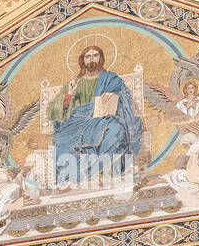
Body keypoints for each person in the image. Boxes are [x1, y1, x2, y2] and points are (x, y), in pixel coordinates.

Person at [48, 43, 143, 185]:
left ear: (100, 58)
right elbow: (54, 111)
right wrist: (69, 95)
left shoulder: (111, 78)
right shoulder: (74, 83)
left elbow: (126, 98)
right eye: (87, 56)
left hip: (102, 118)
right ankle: (72, 178)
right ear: (82, 60)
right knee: (61, 139)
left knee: (116, 129)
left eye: (95, 55)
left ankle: (104, 172)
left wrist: (113, 94)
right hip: (76, 121)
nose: (91, 59)